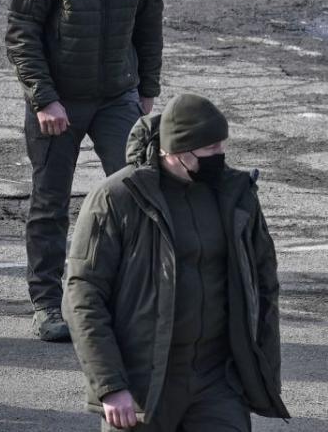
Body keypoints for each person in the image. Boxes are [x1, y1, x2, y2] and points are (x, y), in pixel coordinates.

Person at [5, 0, 163, 342]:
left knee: (138, 194)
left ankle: (130, 296)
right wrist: (43, 98)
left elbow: (149, 24)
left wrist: (147, 92)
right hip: (59, 102)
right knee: (50, 204)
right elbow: (21, 31)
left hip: (119, 95)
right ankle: (48, 304)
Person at [63, 93, 290, 430]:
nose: (221, 156)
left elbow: (264, 286)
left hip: (218, 382)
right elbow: (83, 294)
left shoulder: (236, 195)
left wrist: (259, 375)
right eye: (211, 149)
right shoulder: (116, 199)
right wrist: (110, 385)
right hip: (144, 385)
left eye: (222, 146)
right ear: (177, 152)